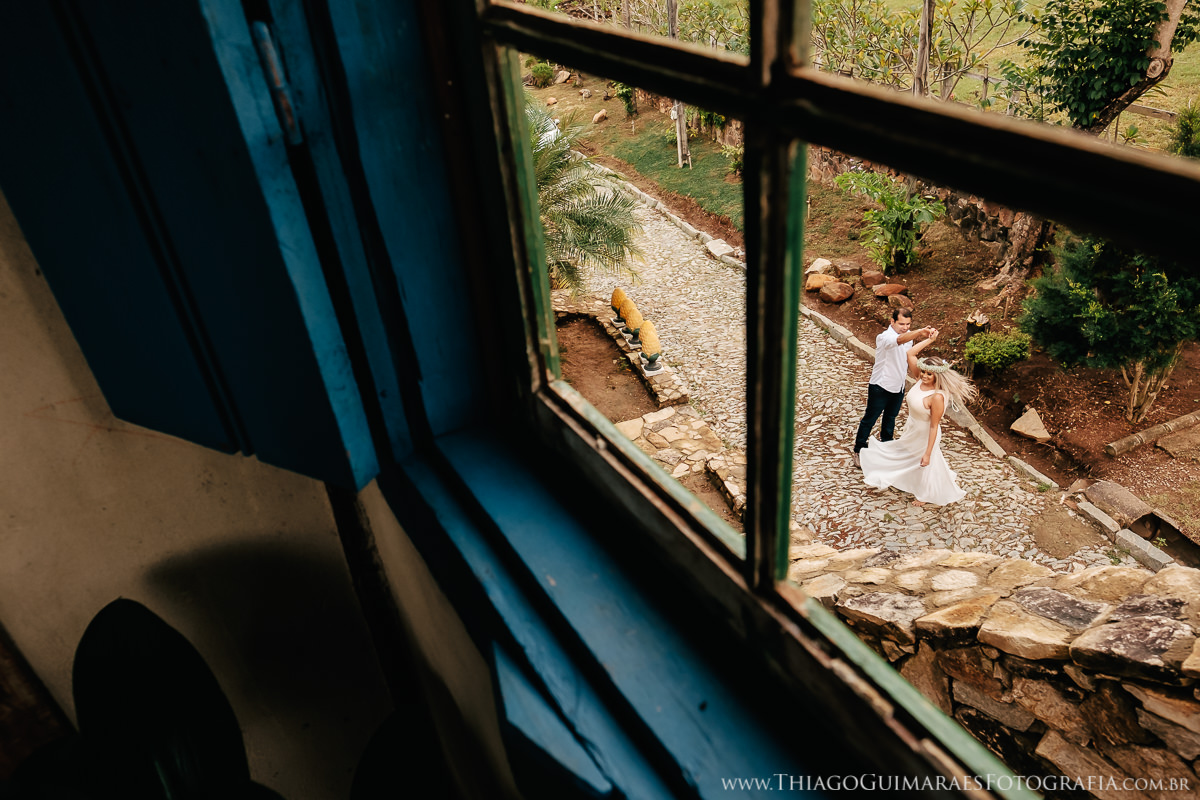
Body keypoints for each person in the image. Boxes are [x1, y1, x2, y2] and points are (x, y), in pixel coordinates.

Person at [859, 331, 978, 506]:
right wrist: (930, 339)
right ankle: (907, 479)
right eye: (923, 372)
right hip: (912, 428)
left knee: (927, 462)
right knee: (907, 457)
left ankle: (925, 494)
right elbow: (910, 353)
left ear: (937, 375)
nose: (924, 376)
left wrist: (928, 453)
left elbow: (934, 426)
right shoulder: (920, 380)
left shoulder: (937, 397)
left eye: (929, 374)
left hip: (926, 433)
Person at [853, 309, 934, 469]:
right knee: (870, 419)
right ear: (892, 322)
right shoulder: (884, 337)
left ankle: (887, 447)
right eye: (901, 324)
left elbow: (909, 356)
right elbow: (899, 340)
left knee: (890, 419)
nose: (905, 327)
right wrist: (919, 332)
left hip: (898, 386)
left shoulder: (909, 337)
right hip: (880, 386)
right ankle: (859, 449)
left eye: (908, 324)